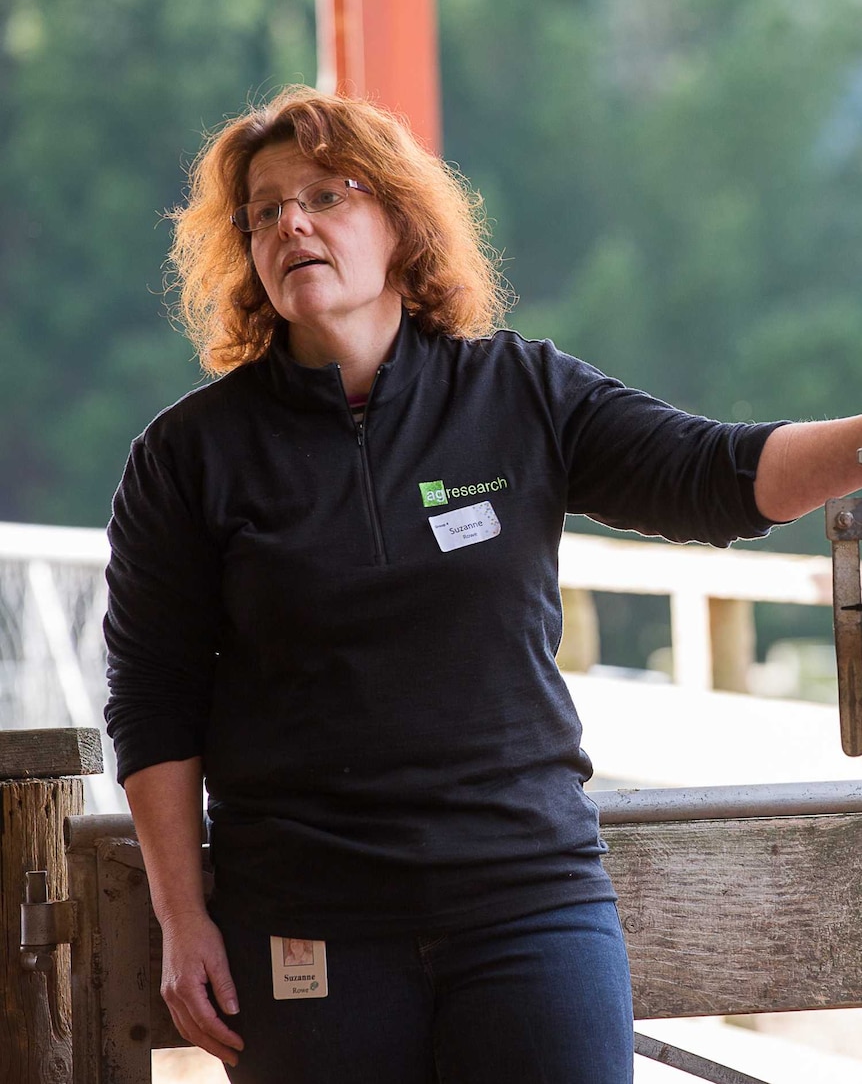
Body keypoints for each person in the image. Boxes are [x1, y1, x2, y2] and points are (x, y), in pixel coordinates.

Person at [104, 84, 862, 1084]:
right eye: (265, 210)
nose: (293, 221)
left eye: (327, 195)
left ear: (398, 222)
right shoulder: (185, 457)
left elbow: (713, 477)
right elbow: (154, 704)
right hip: (306, 926)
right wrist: (180, 915)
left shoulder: (520, 392)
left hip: (527, 906)